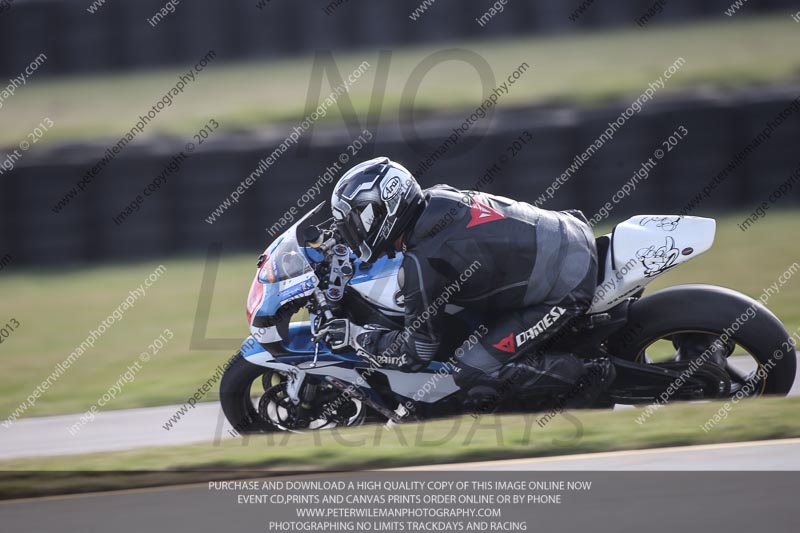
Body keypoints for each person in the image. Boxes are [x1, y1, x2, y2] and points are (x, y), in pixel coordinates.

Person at [319, 156, 614, 413]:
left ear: (384, 209)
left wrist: (358, 338)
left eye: (358, 220)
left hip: (566, 285)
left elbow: (417, 353)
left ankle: (589, 375)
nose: (354, 230)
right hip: (571, 229)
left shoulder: (424, 261)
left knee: (471, 371)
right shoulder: (437, 198)